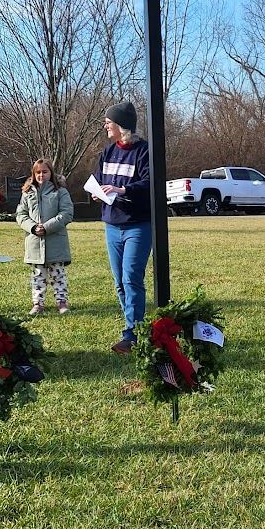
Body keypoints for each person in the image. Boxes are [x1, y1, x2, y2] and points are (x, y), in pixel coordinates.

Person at [93, 101, 151, 355]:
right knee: (119, 282)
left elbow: (150, 181)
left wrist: (123, 190)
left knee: (131, 278)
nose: (105, 125)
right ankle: (133, 328)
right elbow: (97, 180)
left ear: (121, 126)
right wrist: (96, 192)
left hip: (137, 225)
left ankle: (133, 333)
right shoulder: (107, 152)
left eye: (109, 122)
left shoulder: (144, 151)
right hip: (112, 224)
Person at [16, 159, 74, 315]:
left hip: (56, 242)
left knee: (58, 275)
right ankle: (37, 303)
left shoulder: (60, 191)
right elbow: (21, 215)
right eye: (38, 172)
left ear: (51, 173)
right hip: (34, 242)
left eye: (45, 171)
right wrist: (33, 228)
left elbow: (66, 213)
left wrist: (47, 227)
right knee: (38, 276)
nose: (41, 175)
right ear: (34, 174)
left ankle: (61, 302)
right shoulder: (27, 192)